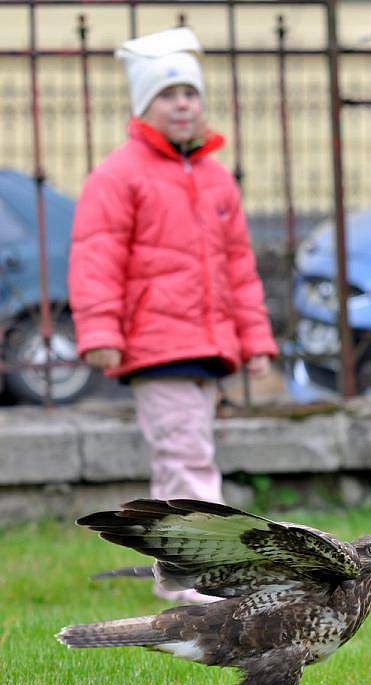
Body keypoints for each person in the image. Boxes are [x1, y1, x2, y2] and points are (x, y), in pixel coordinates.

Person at [68, 27, 278, 602]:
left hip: (207, 345)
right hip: (155, 345)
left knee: (178, 457)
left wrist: (255, 340)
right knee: (188, 453)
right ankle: (204, 578)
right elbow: (96, 256)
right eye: (168, 94)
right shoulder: (120, 174)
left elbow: (240, 266)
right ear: (144, 106)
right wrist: (101, 331)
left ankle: (177, 568)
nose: (183, 104)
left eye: (191, 93)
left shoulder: (215, 179)